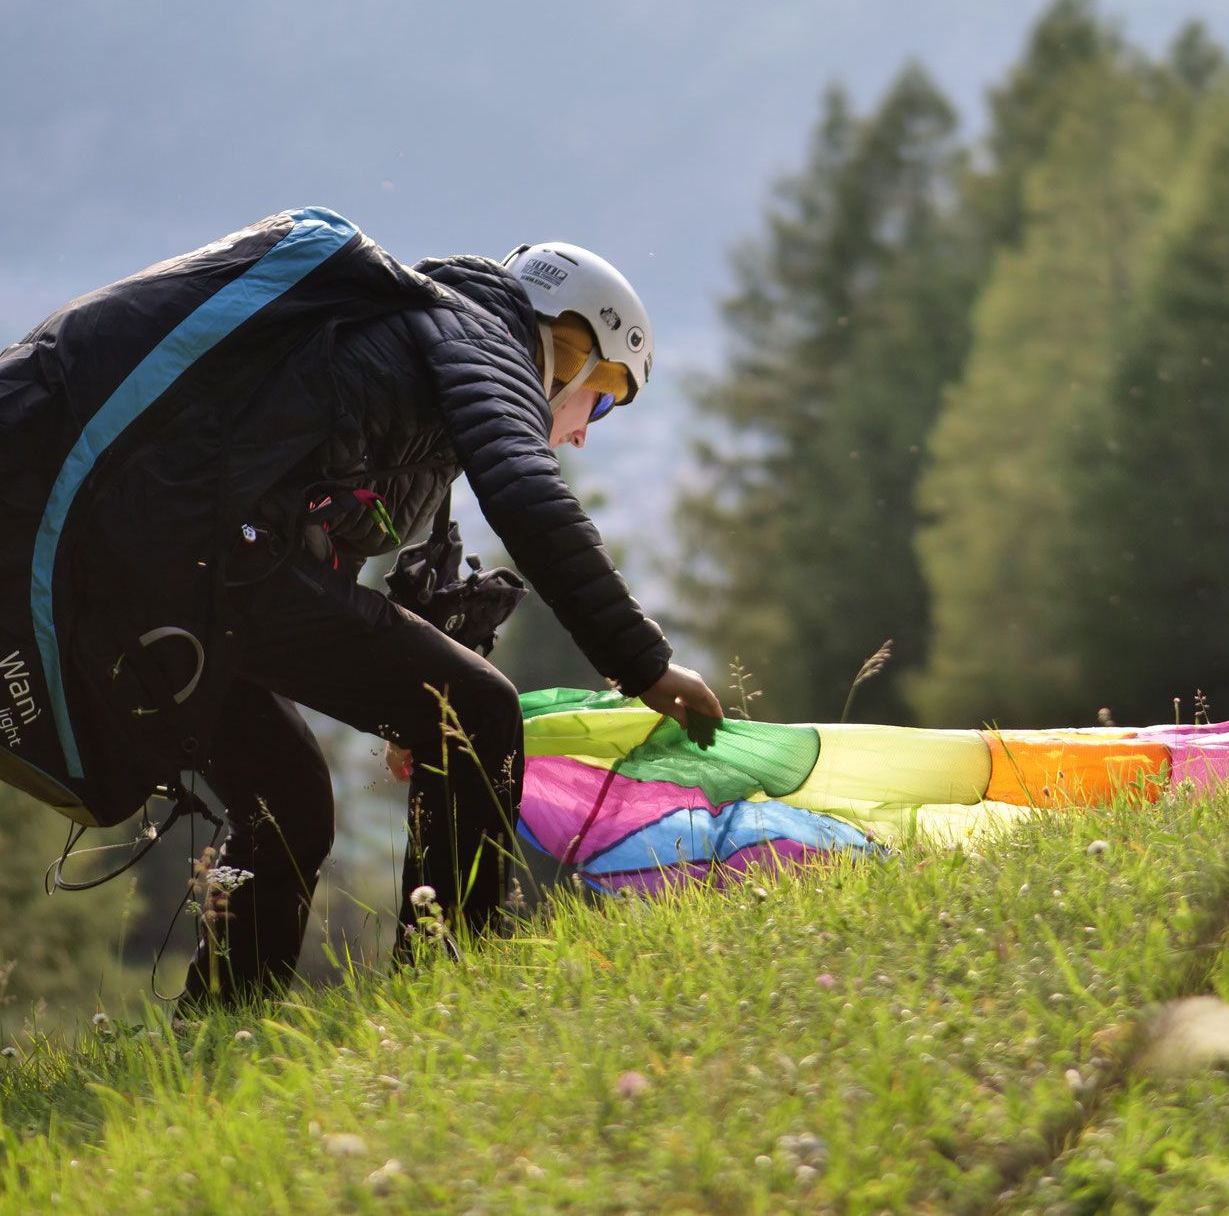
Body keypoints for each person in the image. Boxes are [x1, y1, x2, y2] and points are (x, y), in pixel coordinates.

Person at [0, 208, 722, 1003]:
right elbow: (526, 494)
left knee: (289, 799)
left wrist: (403, 703)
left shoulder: (421, 343)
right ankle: (452, 996)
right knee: (475, 709)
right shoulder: (484, 335)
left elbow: (321, 538)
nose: (589, 430)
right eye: (610, 394)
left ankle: (219, 1036)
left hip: (176, 561)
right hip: (206, 561)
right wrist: (643, 662)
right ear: (571, 348)